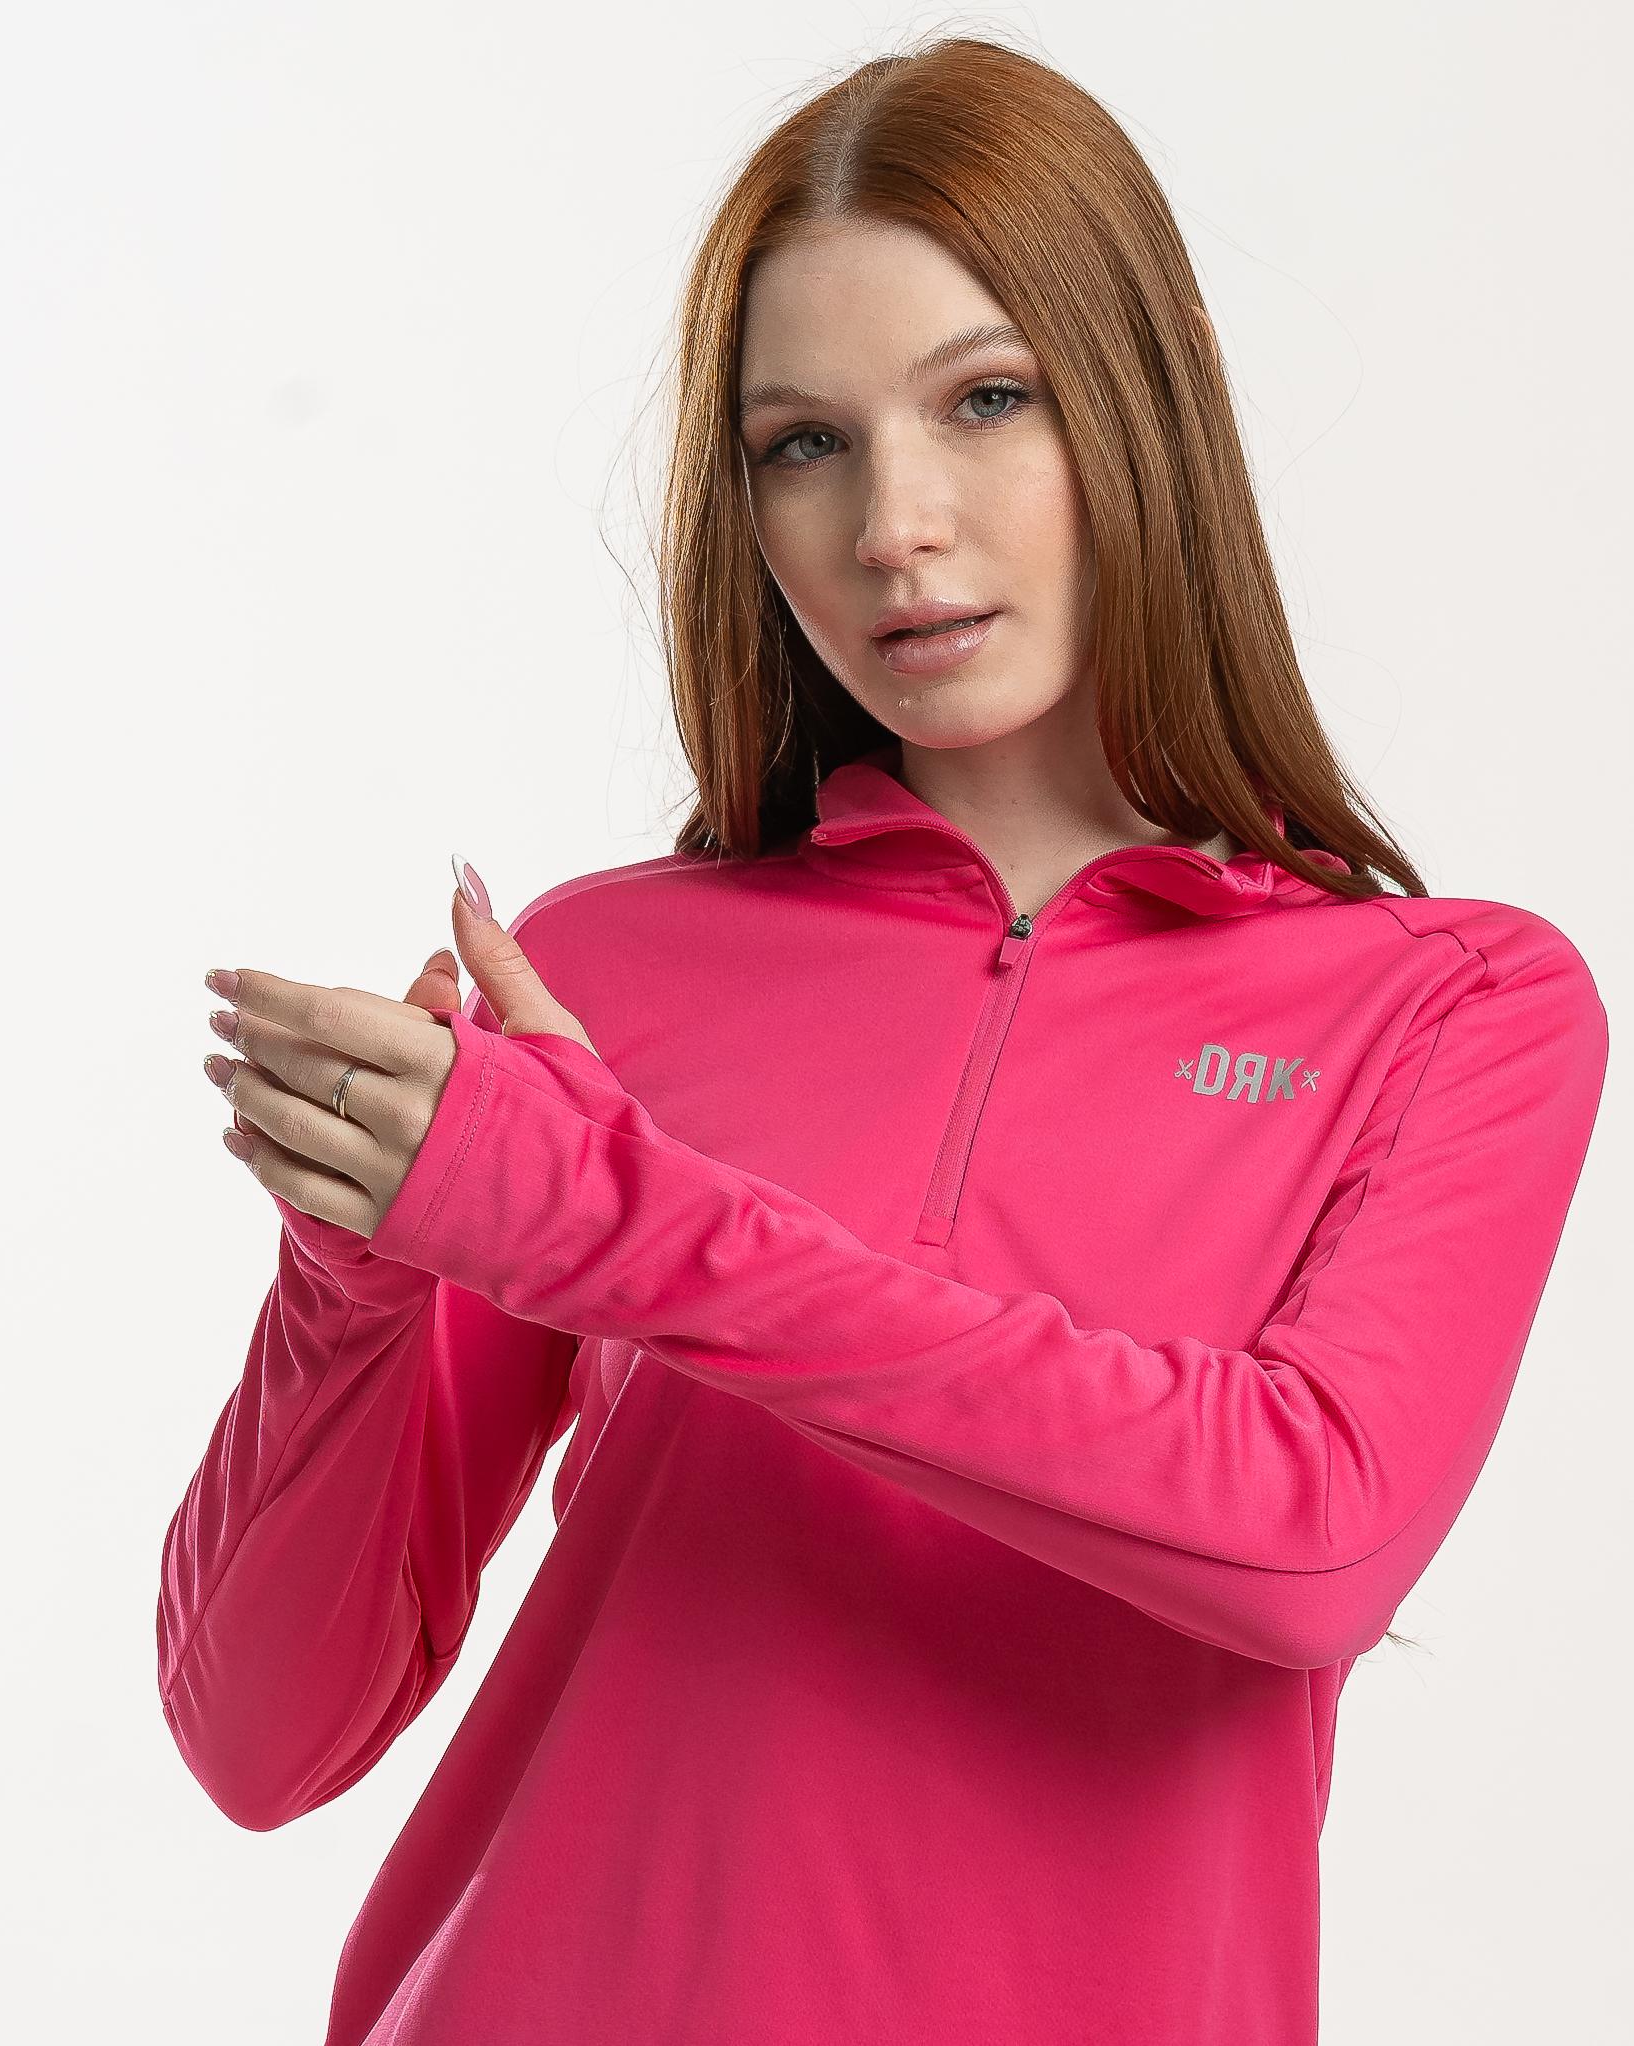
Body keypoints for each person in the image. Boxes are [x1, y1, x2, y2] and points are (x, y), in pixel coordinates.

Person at [157, 32, 1609, 2046]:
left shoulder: (1450, 1006)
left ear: (1154, 393)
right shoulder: (606, 974)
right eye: (802, 443)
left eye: (985, 400)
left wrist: (605, 1222)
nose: (892, 524)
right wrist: (357, 1268)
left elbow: (1307, 1537)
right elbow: (260, 1741)